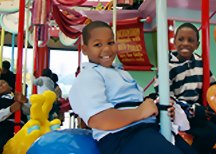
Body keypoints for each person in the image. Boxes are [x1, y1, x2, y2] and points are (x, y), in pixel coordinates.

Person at [69, 21, 197, 154]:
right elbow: (99, 119)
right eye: (98, 45)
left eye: (110, 43)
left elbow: (135, 104)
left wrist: (156, 108)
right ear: (85, 49)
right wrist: (140, 112)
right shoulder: (89, 76)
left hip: (145, 128)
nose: (106, 49)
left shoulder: (119, 71)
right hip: (122, 135)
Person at [155, 22, 216, 154]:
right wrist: (192, 110)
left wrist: (215, 108)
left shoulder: (200, 63)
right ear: (174, 41)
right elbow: (165, 96)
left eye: (190, 40)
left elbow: (212, 88)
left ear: (197, 45)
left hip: (198, 109)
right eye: (181, 39)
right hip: (179, 112)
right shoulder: (167, 65)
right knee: (209, 132)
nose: (185, 43)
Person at [0, 80, 29, 153]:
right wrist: (10, 109)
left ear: (10, 87)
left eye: (3, 83)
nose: (0, 86)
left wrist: (25, 101)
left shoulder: (19, 97)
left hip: (21, 126)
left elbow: (29, 111)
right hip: (4, 127)